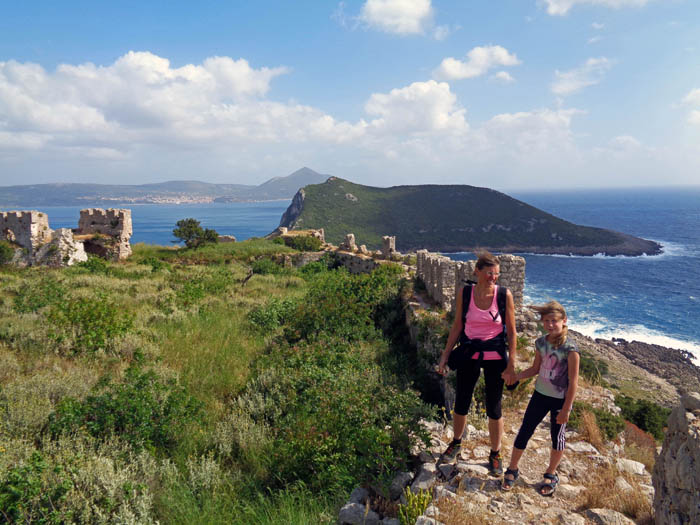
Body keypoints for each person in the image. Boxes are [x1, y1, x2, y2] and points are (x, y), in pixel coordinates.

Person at [437, 251, 517, 476]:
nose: (494, 278)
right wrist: (445, 355)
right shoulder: (466, 293)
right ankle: (456, 443)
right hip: (469, 352)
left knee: (494, 406)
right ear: (477, 271)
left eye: (497, 274)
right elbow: (456, 327)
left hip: (495, 355)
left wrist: (512, 364)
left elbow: (511, 332)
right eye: (490, 273)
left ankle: (495, 453)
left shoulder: (504, 295)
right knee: (462, 400)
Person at [501, 300, 580, 496]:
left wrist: (566, 409)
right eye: (546, 321)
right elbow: (536, 369)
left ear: (564, 320)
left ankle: (551, 474)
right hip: (540, 395)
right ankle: (512, 468)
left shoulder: (571, 350)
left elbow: (573, 383)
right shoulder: (541, 343)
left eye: (554, 320)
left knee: (557, 438)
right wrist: (515, 376)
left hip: (559, 400)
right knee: (525, 430)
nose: (550, 324)